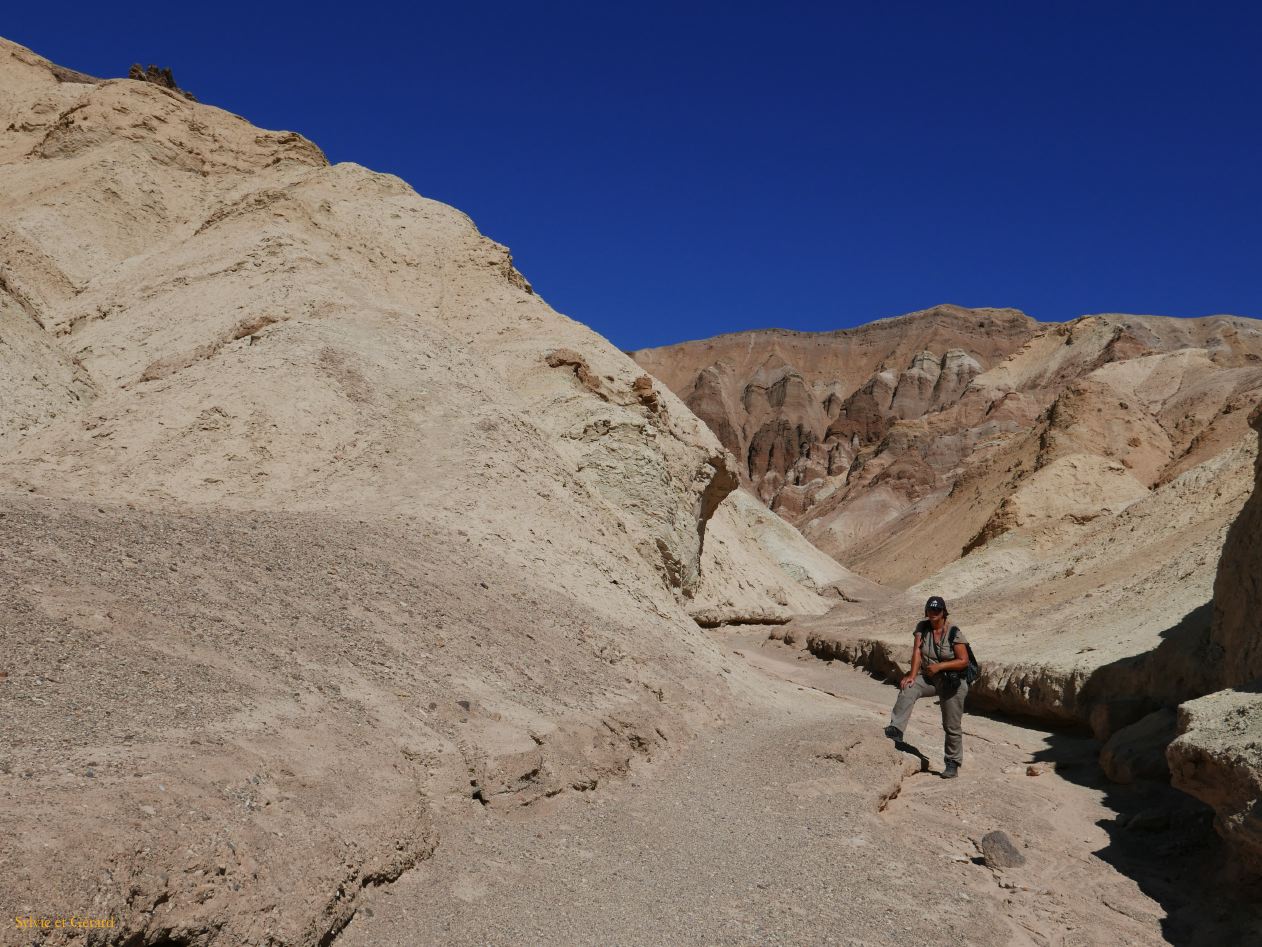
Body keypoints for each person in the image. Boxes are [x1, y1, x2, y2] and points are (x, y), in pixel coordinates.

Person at [883, 595, 970, 778]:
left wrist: (940, 666)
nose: (933, 614)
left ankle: (952, 763)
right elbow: (917, 652)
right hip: (930, 679)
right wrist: (912, 675)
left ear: (943, 612)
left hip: (952, 683)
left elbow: (963, 661)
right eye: (930, 610)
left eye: (937, 611)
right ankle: (896, 729)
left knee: (951, 725)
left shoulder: (953, 632)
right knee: (909, 688)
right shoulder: (922, 628)